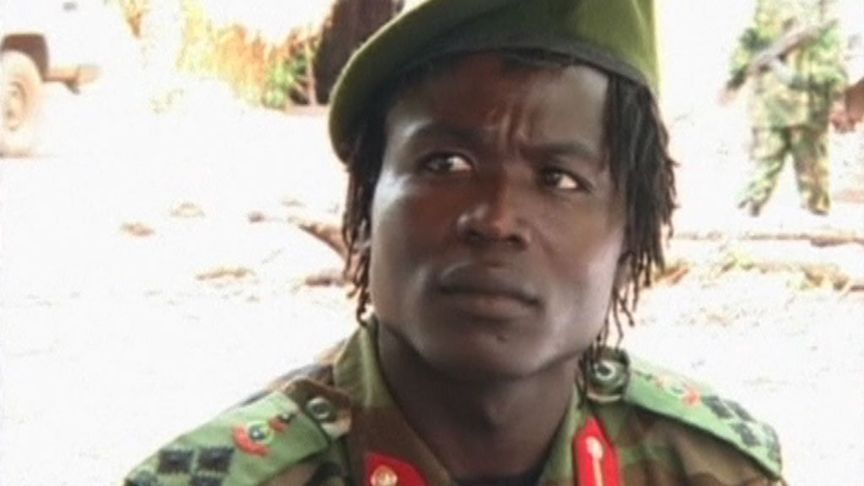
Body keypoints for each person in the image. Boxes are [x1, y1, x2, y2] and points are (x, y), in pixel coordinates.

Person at [125, 0, 785, 484]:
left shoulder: (709, 471)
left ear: (629, 243)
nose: (496, 219)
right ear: (364, 212)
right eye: (445, 164)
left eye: (559, 178)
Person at [724, 0, 847, 216]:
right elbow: (833, 58)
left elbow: (750, 40)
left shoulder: (771, 6)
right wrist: (837, 95)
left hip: (775, 104)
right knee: (811, 174)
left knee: (765, 168)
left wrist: (736, 77)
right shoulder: (822, 10)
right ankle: (814, 214)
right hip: (804, 106)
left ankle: (748, 211)